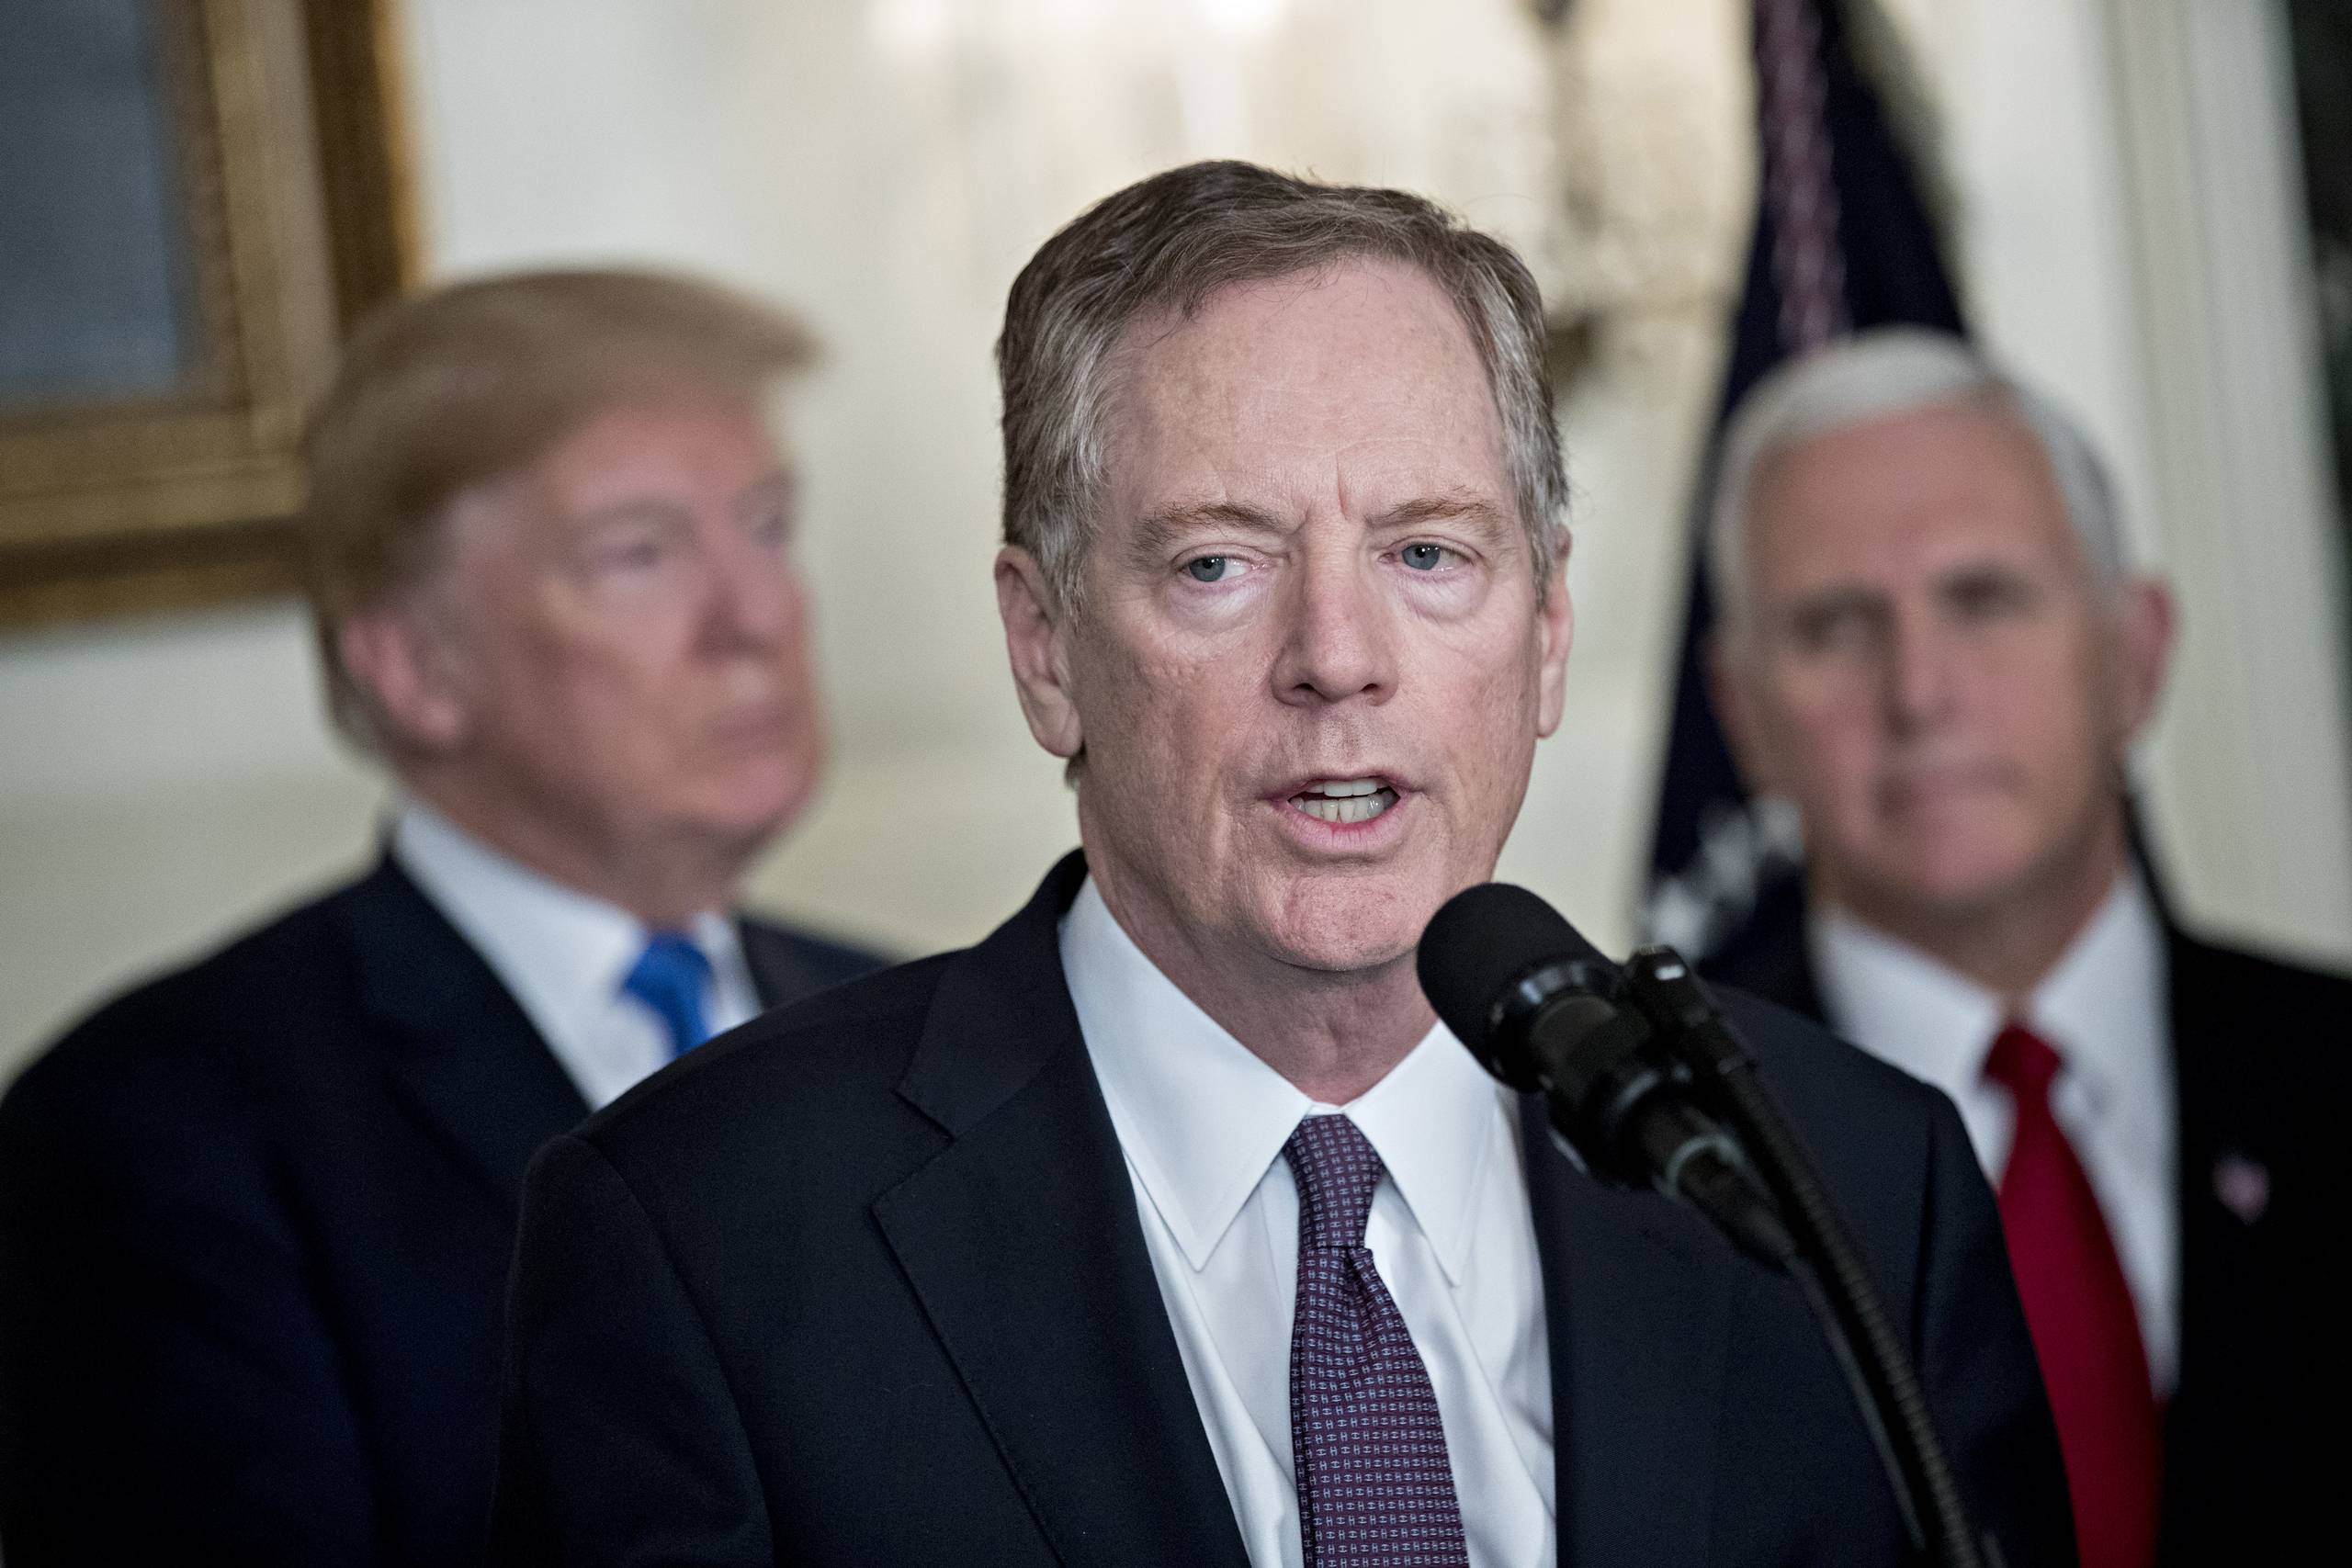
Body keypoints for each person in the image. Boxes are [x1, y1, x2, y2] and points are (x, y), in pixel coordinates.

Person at [490, 164, 2070, 1568]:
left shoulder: (1855, 1189)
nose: (1336, 659)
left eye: (1429, 554)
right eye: (1217, 564)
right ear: (1044, 650)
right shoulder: (706, 1239)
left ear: (1547, 635)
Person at [0, 269, 887, 1566]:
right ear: (414, 667)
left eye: (766, 525)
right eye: (639, 553)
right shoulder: (153, 1137)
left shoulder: (925, 1026)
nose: (757, 615)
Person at [1702, 327, 2352, 1568]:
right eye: (1836, 626)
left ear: (2135, 653)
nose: (1920, 692)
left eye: (1982, 598)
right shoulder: (1636, 1178)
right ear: (1743, 716)